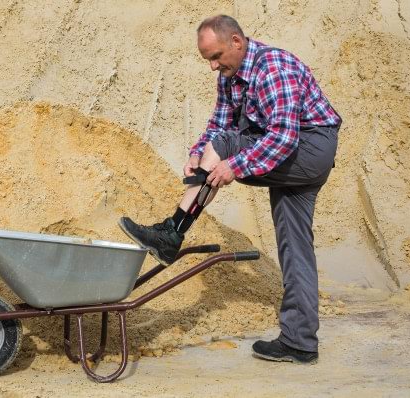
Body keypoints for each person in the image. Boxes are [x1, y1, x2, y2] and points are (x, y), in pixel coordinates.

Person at [119, 15, 341, 364]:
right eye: (207, 58)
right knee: (294, 248)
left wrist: (231, 166)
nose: (212, 66)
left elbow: (282, 137)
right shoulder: (230, 76)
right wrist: (198, 153)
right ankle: (300, 342)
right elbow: (219, 121)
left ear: (237, 41)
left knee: (228, 143)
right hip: (292, 156)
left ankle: (172, 230)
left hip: (310, 148)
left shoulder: (273, 68)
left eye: (216, 55)